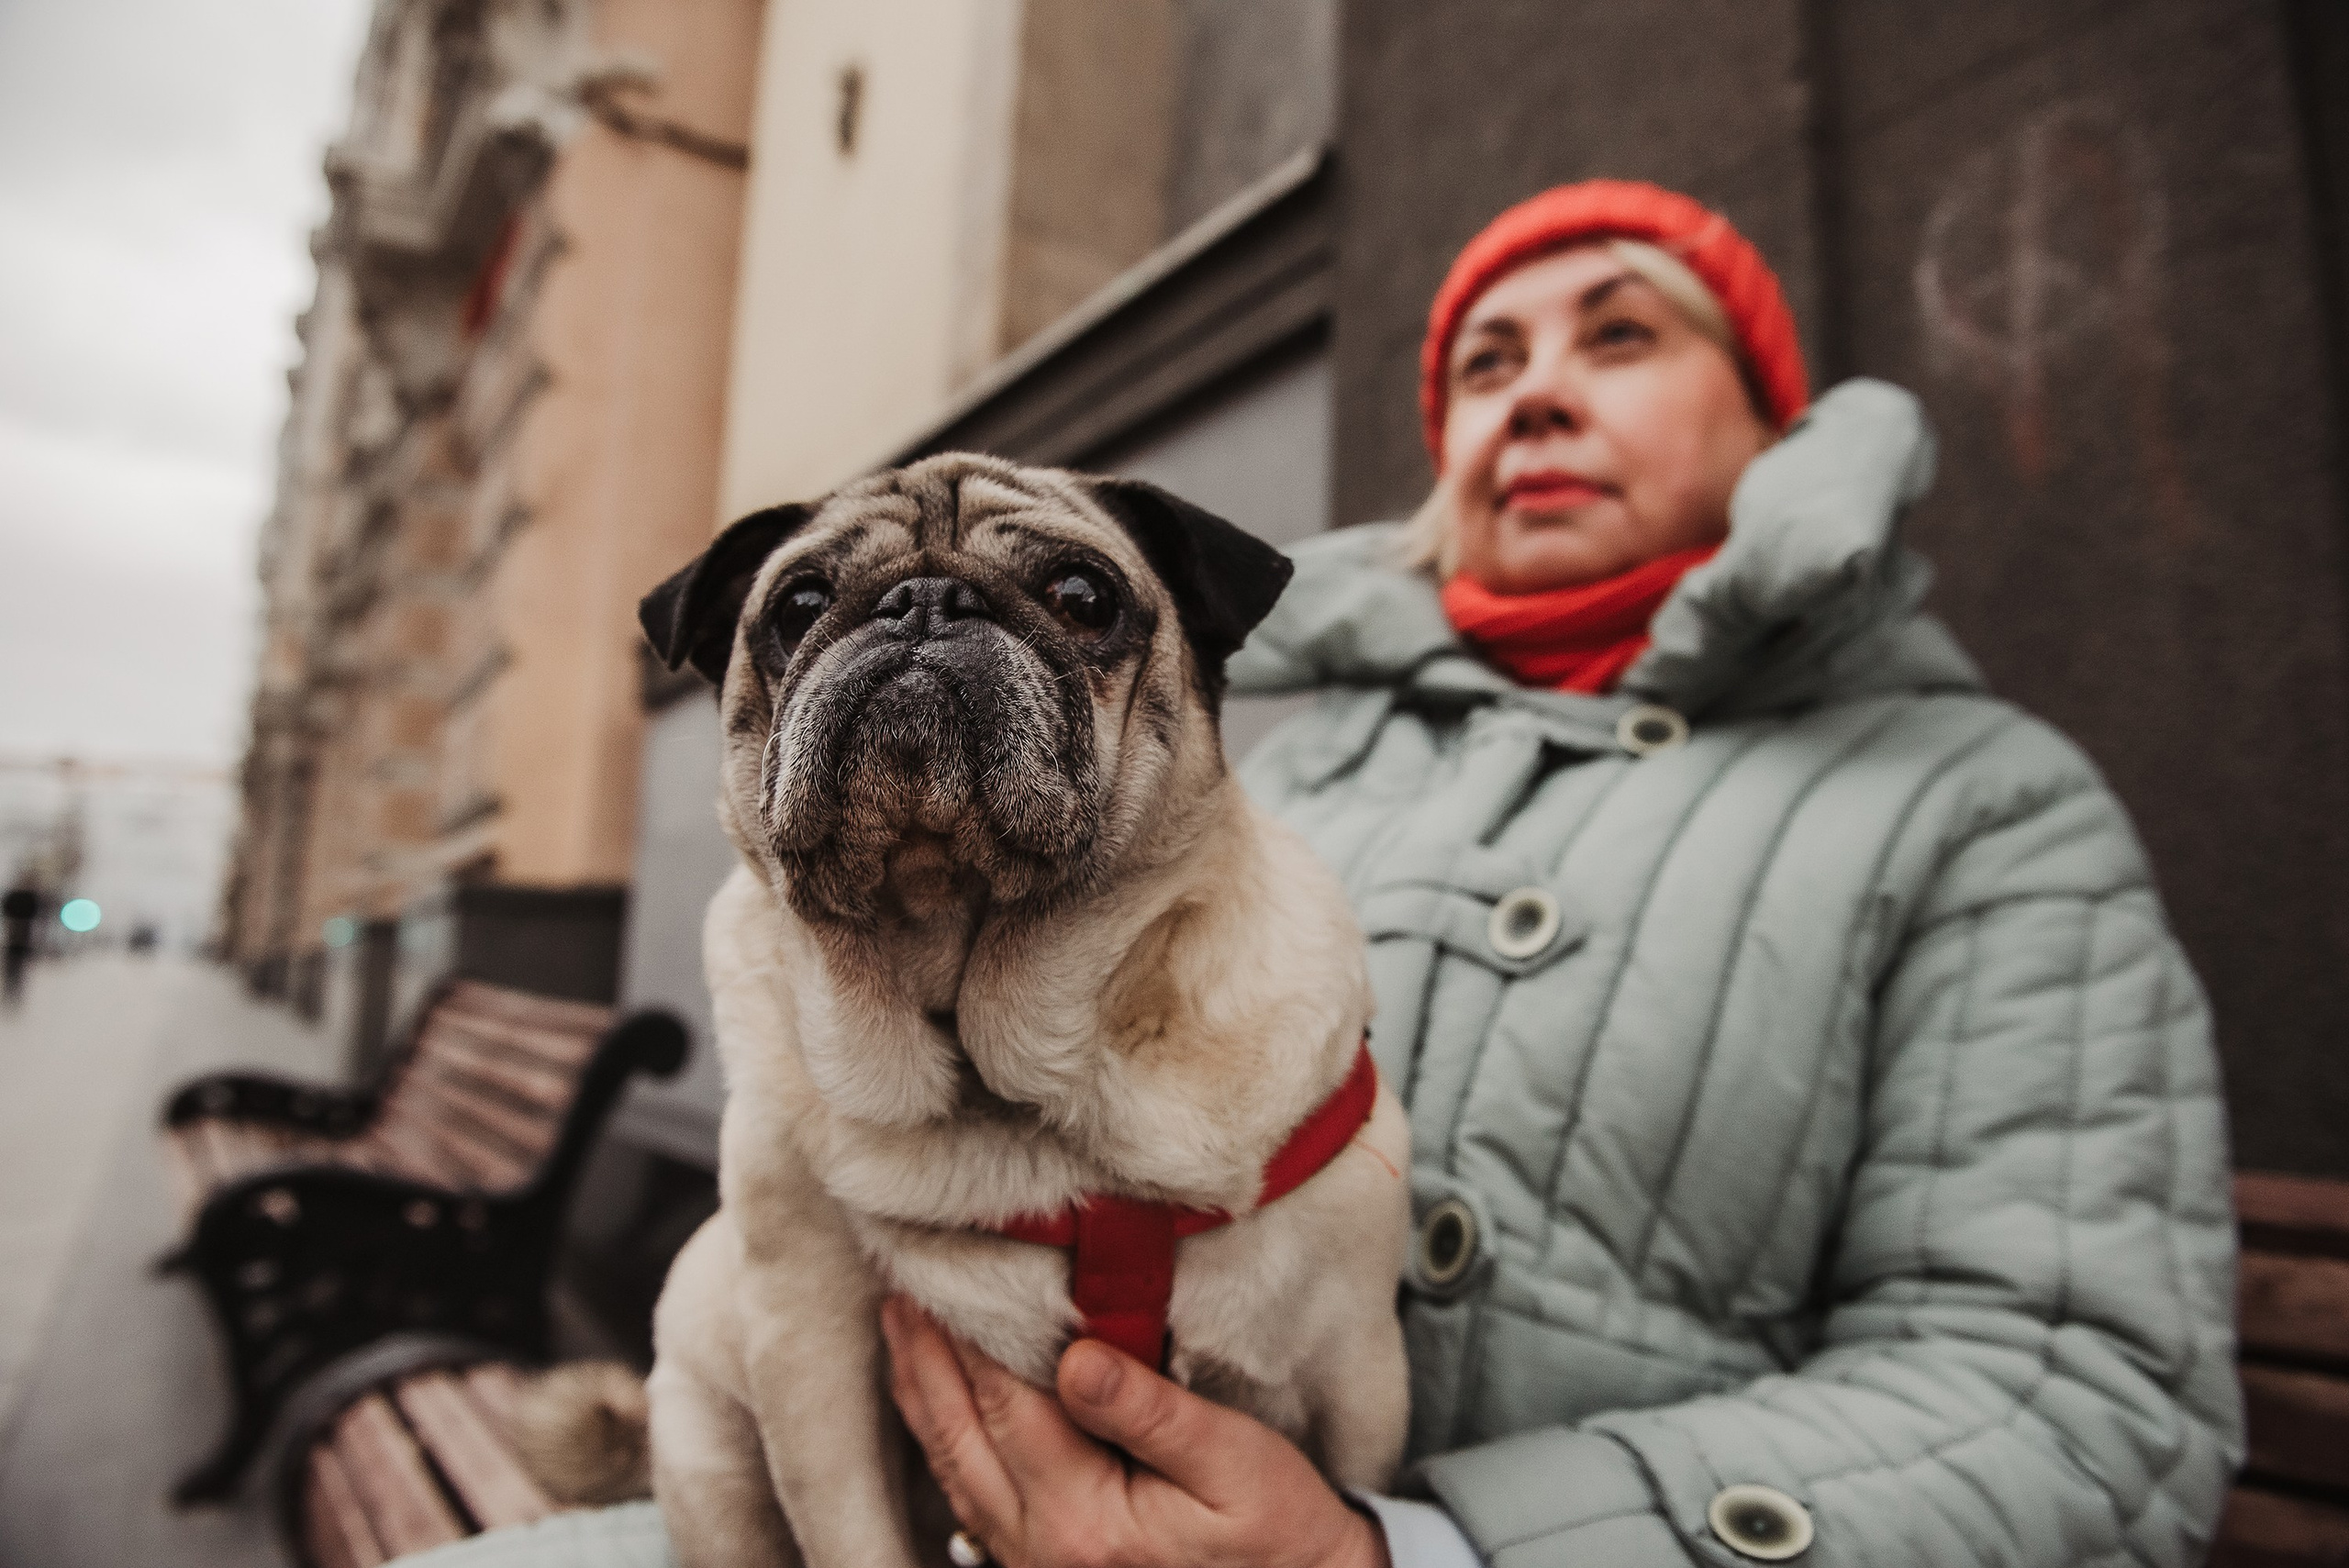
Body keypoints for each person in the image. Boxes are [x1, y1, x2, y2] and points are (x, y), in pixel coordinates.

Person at [397, 183, 2239, 1568]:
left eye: (1620, 337)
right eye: (1485, 364)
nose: (1532, 397)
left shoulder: (1973, 802)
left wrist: (1402, 1553)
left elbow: (2084, 1398)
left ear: (1775, 426)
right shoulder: (1298, 743)